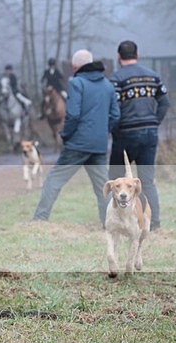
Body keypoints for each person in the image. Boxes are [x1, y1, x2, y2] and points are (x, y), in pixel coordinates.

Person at [33, 49, 120, 226]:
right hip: (99, 145)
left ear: (75, 67)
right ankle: (110, 223)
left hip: (77, 145)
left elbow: (72, 115)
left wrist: (65, 135)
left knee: (54, 180)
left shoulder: (76, 83)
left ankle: (40, 219)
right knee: (103, 187)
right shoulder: (108, 85)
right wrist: (103, 131)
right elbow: (116, 116)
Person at [109, 40, 169, 231]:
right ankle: (155, 222)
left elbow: (115, 109)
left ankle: (118, 221)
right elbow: (164, 102)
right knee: (146, 181)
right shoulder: (154, 76)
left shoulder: (116, 79)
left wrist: (115, 129)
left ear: (119, 56)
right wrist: (154, 121)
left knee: (117, 180)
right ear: (138, 55)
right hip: (150, 135)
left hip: (126, 135)